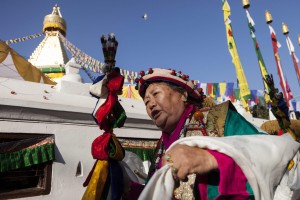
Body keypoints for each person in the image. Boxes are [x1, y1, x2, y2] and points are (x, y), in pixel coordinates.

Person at [127, 68, 300, 200]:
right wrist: (126, 186)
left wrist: (211, 158)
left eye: (156, 94)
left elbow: (274, 155)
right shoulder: (160, 148)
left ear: (183, 95)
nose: (150, 104)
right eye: (146, 101)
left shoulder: (218, 118)